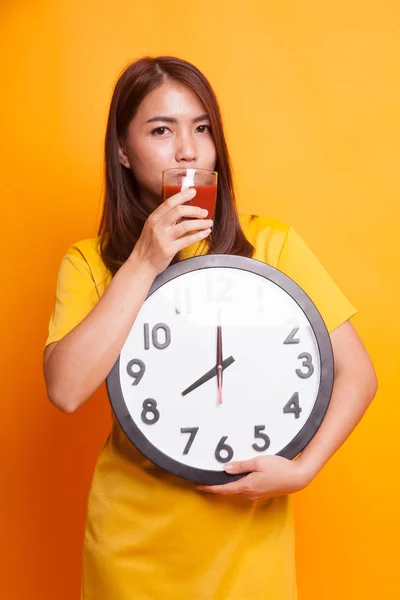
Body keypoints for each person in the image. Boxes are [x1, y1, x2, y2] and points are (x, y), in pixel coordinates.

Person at [43, 56, 377, 600]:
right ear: (122, 151)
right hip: (132, 545)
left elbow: (358, 374)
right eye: (160, 130)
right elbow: (65, 389)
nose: (187, 150)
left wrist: (304, 469)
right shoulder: (88, 263)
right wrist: (145, 261)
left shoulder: (272, 246)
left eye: (202, 128)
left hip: (248, 539)